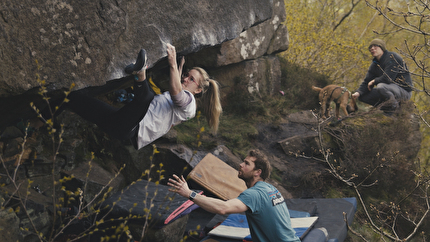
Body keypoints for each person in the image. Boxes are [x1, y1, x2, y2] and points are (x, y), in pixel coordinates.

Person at [40, 44, 222, 149]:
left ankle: (140, 73)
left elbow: (176, 93)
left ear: (198, 90)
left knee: (146, 98)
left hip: (132, 129)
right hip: (119, 122)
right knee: (74, 97)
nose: (186, 79)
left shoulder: (190, 105)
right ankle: (41, 118)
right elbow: (177, 86)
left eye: (191, 79)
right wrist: (180, 65)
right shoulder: (184, 95)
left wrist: (173, 64)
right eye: (186, 75)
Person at [168, 149, 300, 242]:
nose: (241, 165)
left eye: (247, 164)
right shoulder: (271, 189)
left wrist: (189, 193)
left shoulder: (254, 194)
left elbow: (223, 208)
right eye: (243, 161)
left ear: (257, 172)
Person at [352, 38, 413, 112]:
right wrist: (358, 92)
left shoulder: (392, 58)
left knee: (381, 86)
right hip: (388, 90)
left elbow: (388, 78)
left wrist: (374, 81)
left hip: (404, 92)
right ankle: (384, 108)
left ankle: (394, 109)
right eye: (370, 47)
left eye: (375, 46)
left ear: (382, 48)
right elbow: (366, 81)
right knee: (362, 96)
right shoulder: (375, 64)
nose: (372, 48)